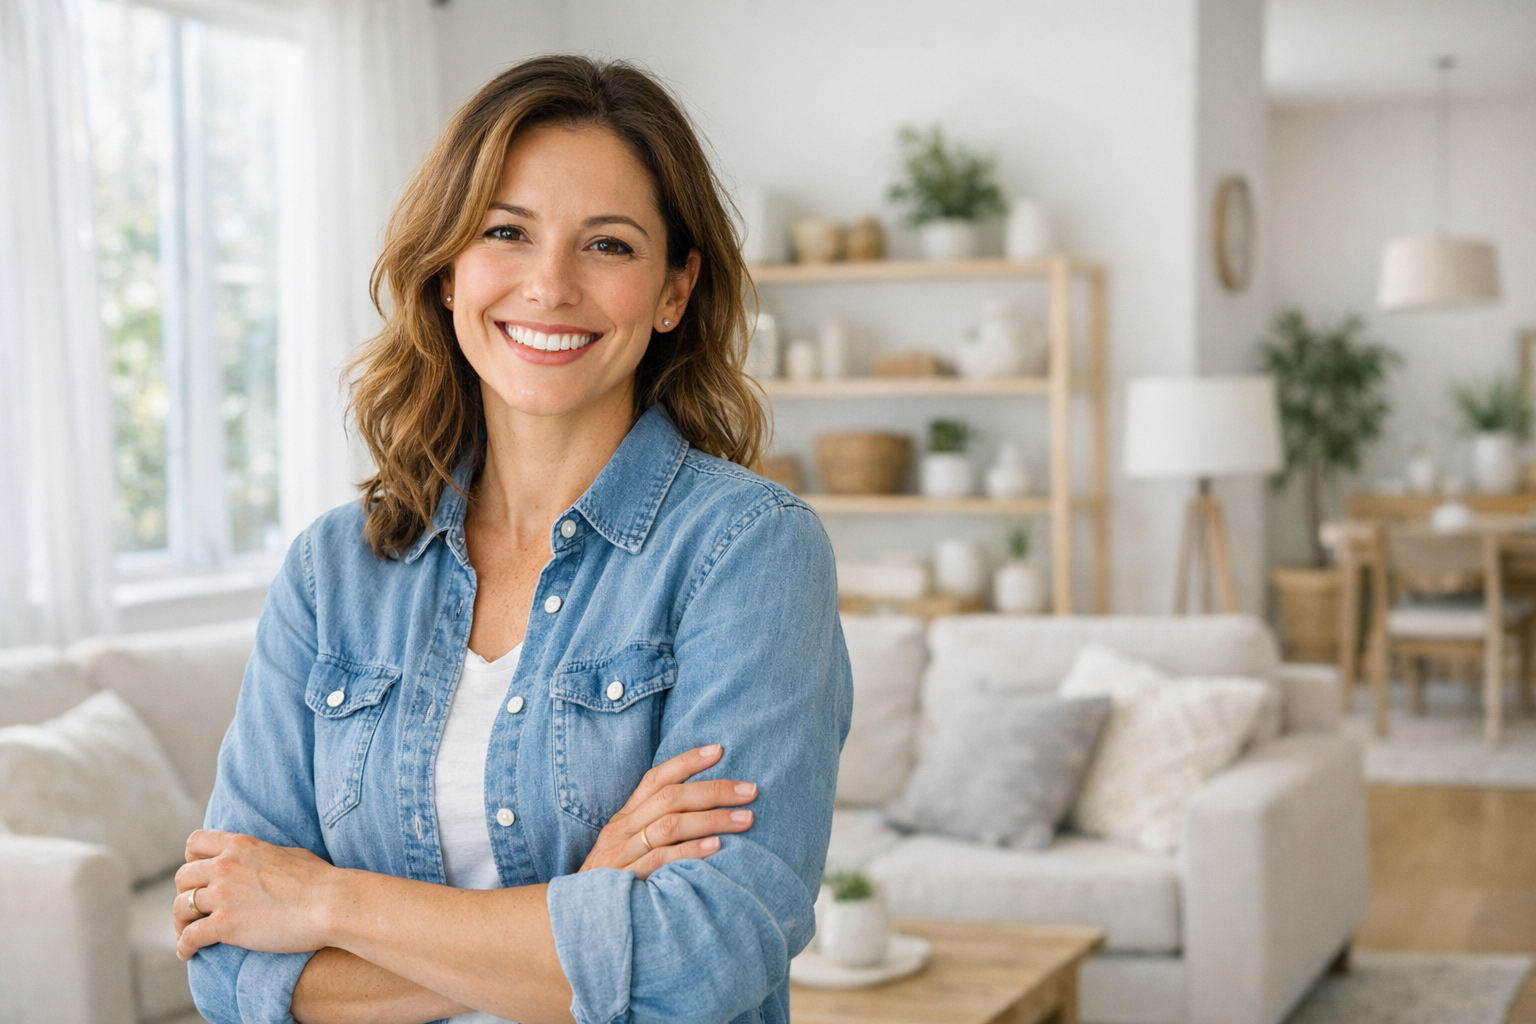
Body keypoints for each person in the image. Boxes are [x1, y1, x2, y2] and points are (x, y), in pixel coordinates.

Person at [172, 55, 851, 1024]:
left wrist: (329, 903)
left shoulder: (748, 549)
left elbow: (701, 962)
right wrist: (588, 903)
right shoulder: (333, 572)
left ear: (673, 290)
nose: (549, 284)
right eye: (506, 232)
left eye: (608, 245)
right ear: (449, 271)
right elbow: (230, 972)